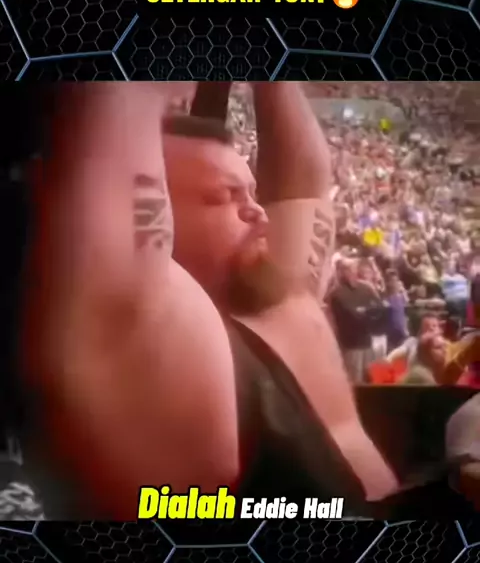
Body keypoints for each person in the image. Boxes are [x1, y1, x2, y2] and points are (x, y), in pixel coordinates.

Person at [21, 82, 399, 519]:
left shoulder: (279, 295)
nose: (257, 211)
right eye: (224, 196)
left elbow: (304, 186)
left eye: (251, 192)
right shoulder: (154, 345)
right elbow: (116, 127)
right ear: (158, 214)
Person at [330, 258, 389, 383]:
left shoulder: (366, 288)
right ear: (340, 271)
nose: (350, 272)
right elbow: (352, 316)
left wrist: (365, 312)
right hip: (351, 347)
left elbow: (379, 308)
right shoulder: (337, 294)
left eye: (352, 268)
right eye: (346, 269)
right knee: (355, 382)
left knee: (372, 380)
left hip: (368, 343)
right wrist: (366, 312)